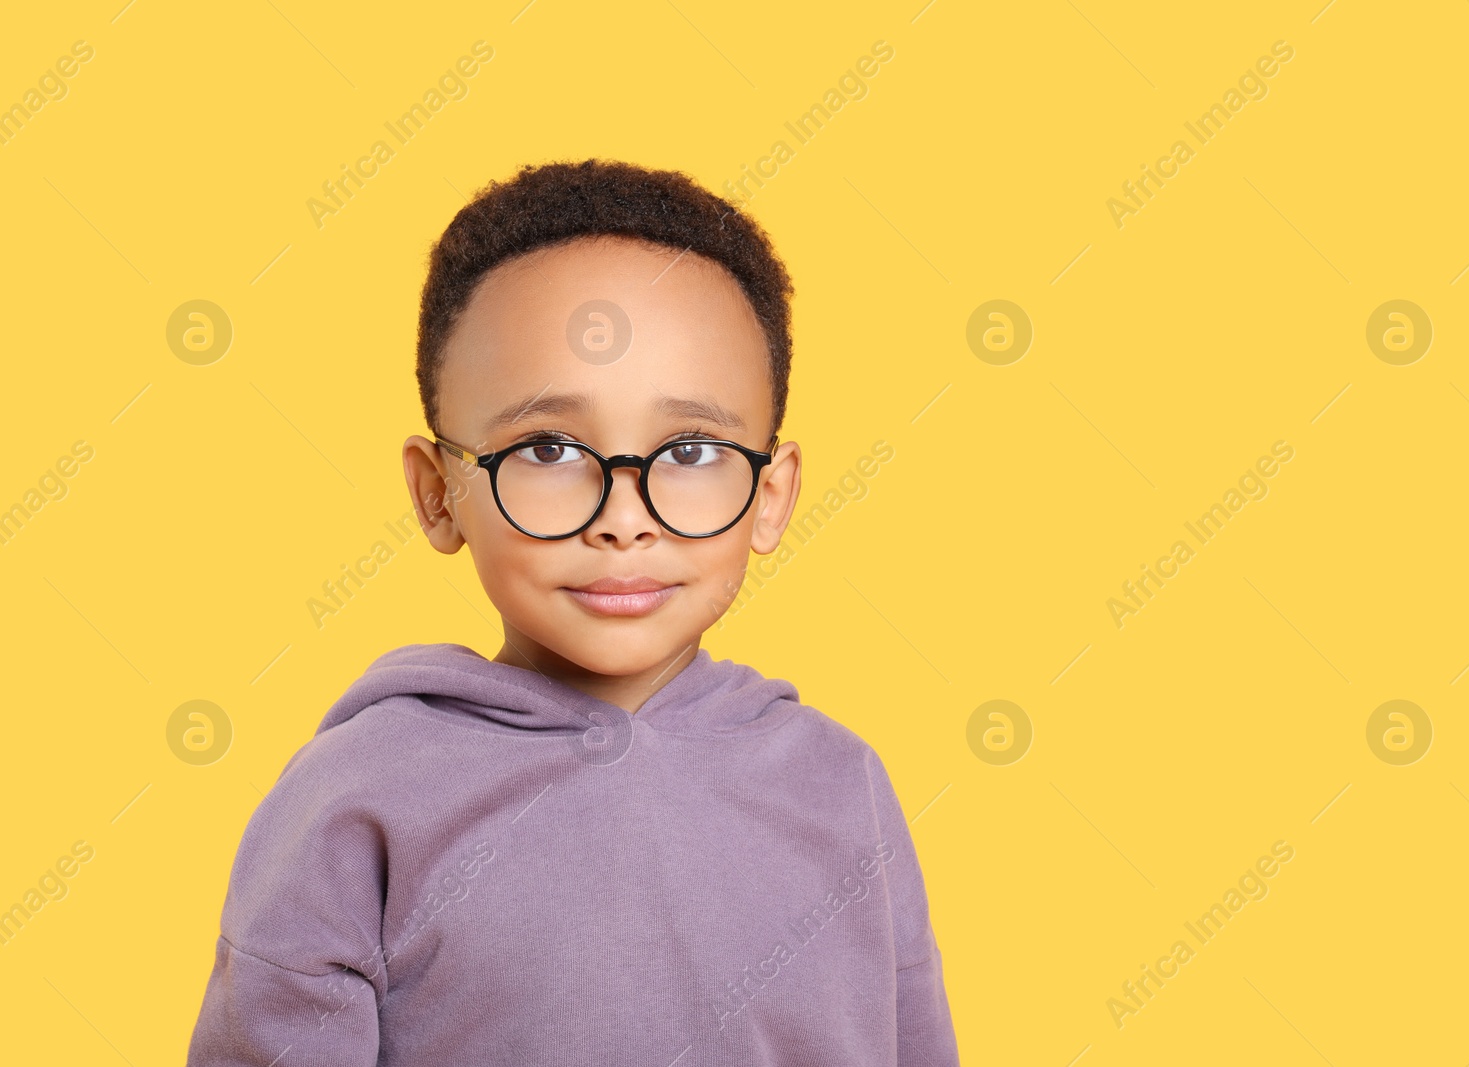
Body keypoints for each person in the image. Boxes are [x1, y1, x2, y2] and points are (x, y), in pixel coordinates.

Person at [186, 158, 959, 1065]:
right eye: (549, 448)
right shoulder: (355, 800)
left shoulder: (842, 788)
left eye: (694, 449)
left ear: (773, 495)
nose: (624, 518)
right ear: (440, 494)